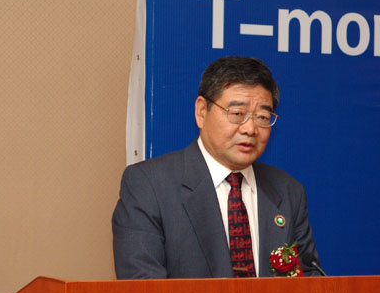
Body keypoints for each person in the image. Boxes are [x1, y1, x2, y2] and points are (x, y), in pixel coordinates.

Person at [112, 56, 321, 278]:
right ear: (202, 112)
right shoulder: (149, 186)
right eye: (237, 114)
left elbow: (310, 284)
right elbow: (143, 289)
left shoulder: (287, 191)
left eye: (262, 116)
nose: (250, 129)